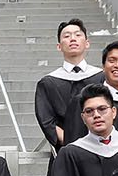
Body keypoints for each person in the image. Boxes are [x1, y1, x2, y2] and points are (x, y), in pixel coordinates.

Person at [33, 18, 103, 149]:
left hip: (101, 146)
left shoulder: (102, 77)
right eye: (66, 36)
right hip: (66, 149)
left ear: (87, 43)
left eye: (78, 35)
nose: (72, 39)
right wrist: (73, 144)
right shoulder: (48, 83)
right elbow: (47, 122)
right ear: (59, 46)